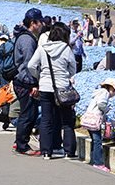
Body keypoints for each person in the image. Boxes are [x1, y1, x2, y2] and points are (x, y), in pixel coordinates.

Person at [27, 22, 78, 159]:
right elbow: (73, 68)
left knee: (46, 120)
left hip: (45, 87)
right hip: (63, 88)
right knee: (67, 121)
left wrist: (40, 76)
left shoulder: (42, 48)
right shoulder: (66, 49)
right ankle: (69, 151)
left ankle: (46, 152)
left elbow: (31, 65)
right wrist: (65, 76)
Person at [12, 8, 43, 155]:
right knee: (28, 114)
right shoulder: (28, 39)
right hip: (25, 82)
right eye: (40, 21)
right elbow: (29, 64)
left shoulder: (25, 37)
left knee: (28, 114)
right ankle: (22, 146)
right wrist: (34, 84)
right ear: (33, 23)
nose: (42, 24)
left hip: (23, 80)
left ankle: (20, 143)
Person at [80, 78, 115, 172]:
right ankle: (98, 163)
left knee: (95, 141)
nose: (114, 94)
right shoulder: (104, 92)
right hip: (94, 121)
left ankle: (93, 160)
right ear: (110, 88)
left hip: (89, 120)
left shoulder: (98, 93)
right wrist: (107, 109)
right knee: (98, 142)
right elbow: (101, 104)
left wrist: (113, 122)